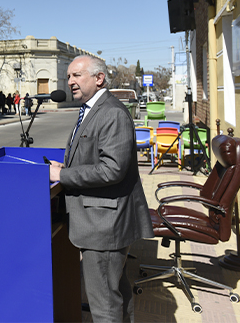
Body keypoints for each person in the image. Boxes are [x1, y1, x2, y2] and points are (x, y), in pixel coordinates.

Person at [49, 55, 154, 322]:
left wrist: (63, 174)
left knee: (104, 304)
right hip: (101, 220)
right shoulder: (92, 108)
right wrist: (67, 165)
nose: (70, 81)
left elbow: (112, 169)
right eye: (69, 76)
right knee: (115, 292)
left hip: (104, 223)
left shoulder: (111, 112)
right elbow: (96, 155)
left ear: (99, 78)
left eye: (77, 75)